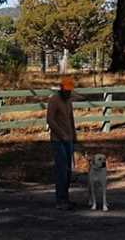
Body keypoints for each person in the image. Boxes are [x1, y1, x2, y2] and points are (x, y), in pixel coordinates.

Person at [47, 76, 77, 210]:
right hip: (58, 141)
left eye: (70, 91)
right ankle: (60, 200)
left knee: (69, 171)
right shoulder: (54, 100)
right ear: (61, 89)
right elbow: (50, 120)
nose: (68, 93)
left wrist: (74, 135)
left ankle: (66, 198)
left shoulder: (69, 101)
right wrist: (62, 134)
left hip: (69, 139)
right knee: (61, 170)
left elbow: (71, 118)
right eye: (66, 90)